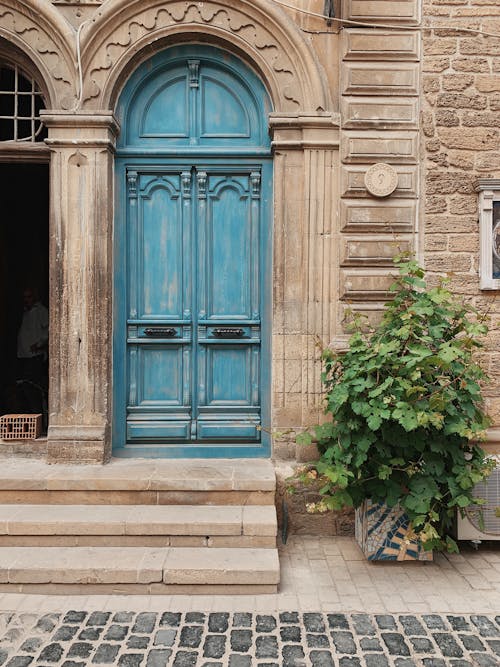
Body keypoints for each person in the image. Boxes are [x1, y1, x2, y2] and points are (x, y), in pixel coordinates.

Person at [16, 287, 48, 386]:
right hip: (23, 355)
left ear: (34, 297)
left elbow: (49, 329)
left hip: (35, 355)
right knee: (24, 384)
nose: (26, 300)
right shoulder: (26, 311)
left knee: (33, 385)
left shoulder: (41, 310)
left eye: (29, 297)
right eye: (24, 297)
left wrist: (39, 344)